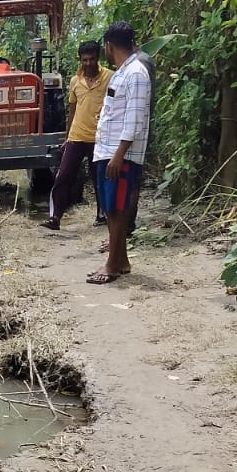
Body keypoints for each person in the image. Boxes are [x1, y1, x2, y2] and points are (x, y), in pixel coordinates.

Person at [88, 20, 152, 284]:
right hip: (109, 149)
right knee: (112, 206)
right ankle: (121, 260)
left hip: (119, 153)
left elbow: (135, 118)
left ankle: (112, 265)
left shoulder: (136, 73)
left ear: (109, 46)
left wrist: (119, 153)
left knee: (116, 208)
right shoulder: (123, 72)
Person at [42, 41, 109, 230]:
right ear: (80, 59)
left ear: (98, 58)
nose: (88, 63)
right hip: (77, 137)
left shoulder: (110, 78)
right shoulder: (74, 81)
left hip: (100, 138)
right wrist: (67, 136)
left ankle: (102, 215)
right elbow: (72, 110)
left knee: (100, 179)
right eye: (85, 59)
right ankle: (55, 218)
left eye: (92, 59)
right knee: (63, 177)